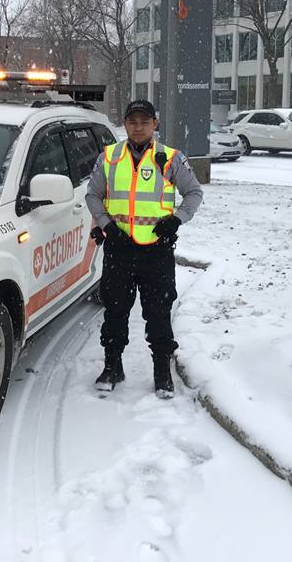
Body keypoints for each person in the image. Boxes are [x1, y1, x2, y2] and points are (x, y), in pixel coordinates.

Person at [85, 100, 204, 398]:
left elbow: (193, 193)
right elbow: (93, 196)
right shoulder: (109, 157)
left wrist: (176, 220)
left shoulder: (170, 158)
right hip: (120, 249)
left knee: (158, 313)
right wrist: (107, 225)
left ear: (154, 124)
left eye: (144, 121)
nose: (138, 127)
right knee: (115, 311)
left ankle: (162, 371)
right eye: (132, 121)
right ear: (125, 124)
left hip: (156, 251)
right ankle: (112, 366)